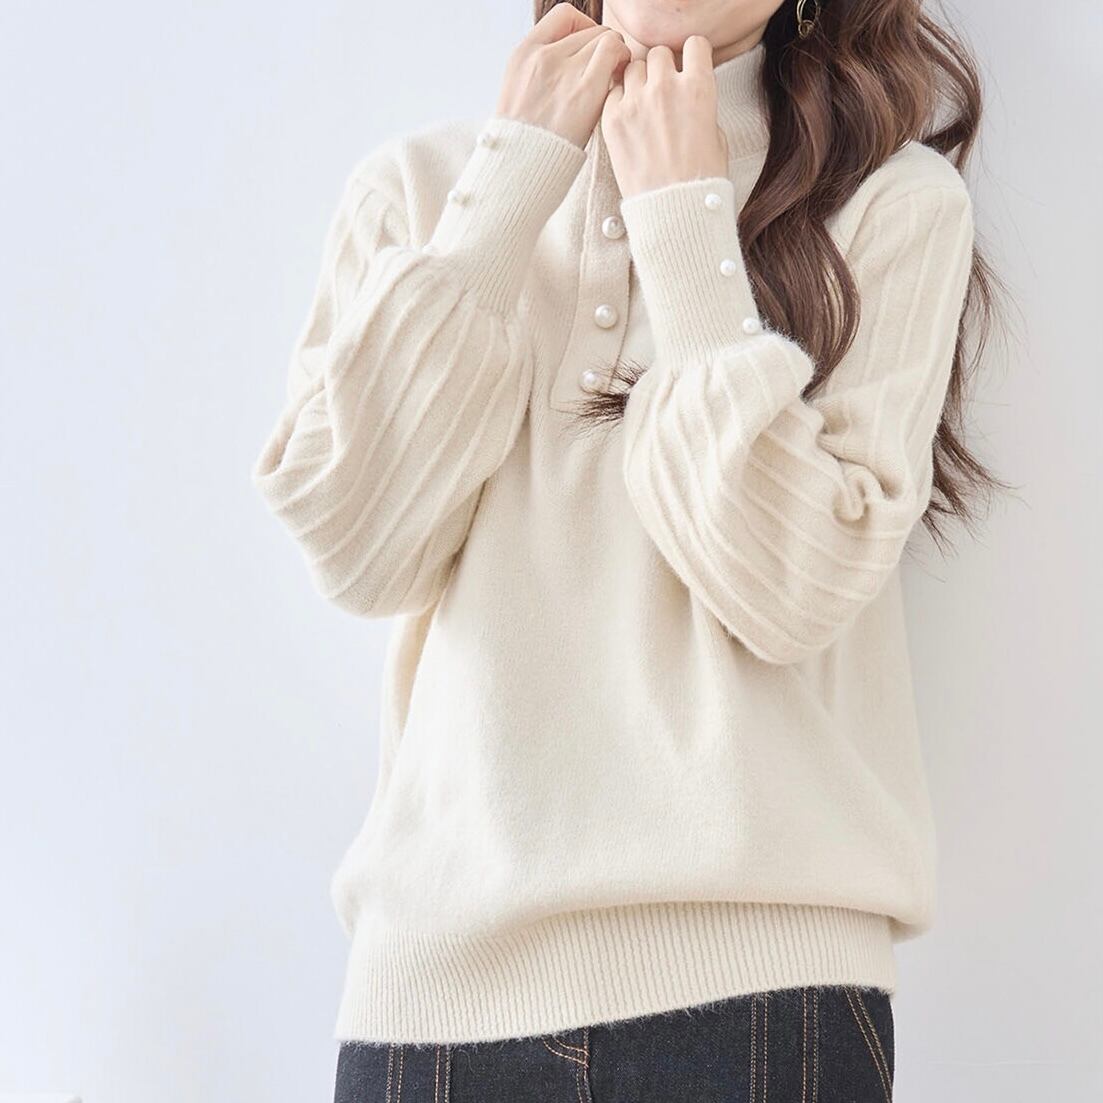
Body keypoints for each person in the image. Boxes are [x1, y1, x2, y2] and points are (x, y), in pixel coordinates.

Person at [251, 1, 1005, 1099]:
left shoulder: (890, 205)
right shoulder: (417, 191)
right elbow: (358, 550)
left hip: (762, 991)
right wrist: (513, 178)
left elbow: (788, 588)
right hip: (434, 992)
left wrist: (682, 224)